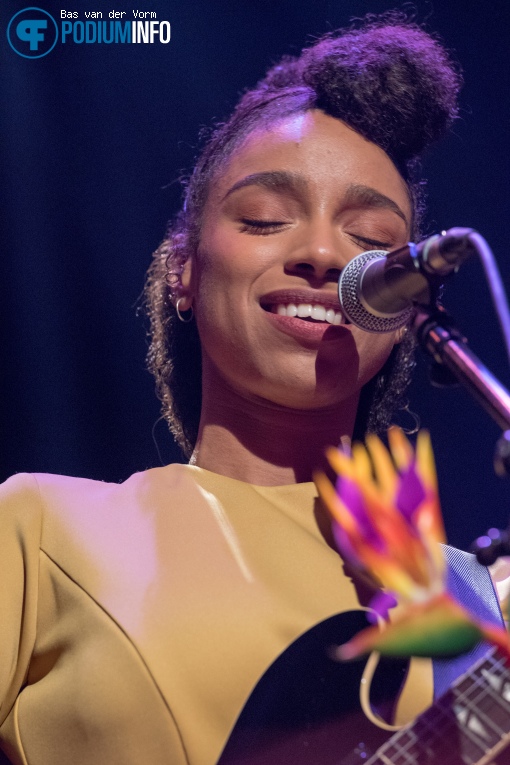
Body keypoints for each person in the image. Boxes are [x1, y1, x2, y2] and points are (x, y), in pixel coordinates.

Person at [0, 14, 503, 765]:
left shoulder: (471, 604)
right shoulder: (39, 526)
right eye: (267, 218)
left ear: (400, 311)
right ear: (184, 269)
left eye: (371, 241)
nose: (326, 254)